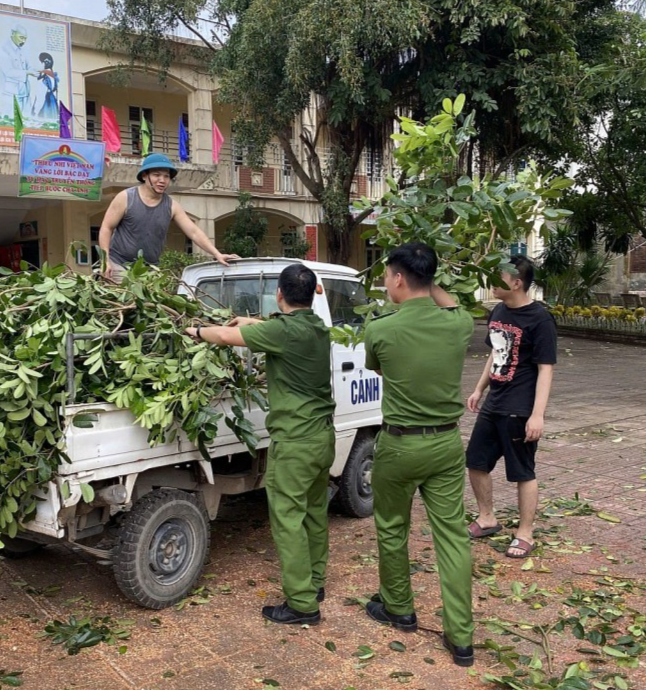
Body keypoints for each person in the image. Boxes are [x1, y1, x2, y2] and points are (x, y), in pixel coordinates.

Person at [185, 264, 336, 625]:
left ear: (278, 295)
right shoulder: (317, 328)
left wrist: (194, 329)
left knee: (287, 519)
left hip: (295, 441)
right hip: (322, 438)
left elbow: (221, 338)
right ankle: (314, 583)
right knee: (315, 512)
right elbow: (274, 329)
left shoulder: (284, 332)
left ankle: (302, 605)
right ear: (314, 292)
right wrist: (246, 321)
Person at [363, 242, 475, 667]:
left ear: (398, 278)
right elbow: (452, 303)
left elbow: (377, 368)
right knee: (452, 537)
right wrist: (430, 282)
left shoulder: (381, 328)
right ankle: (461, 638)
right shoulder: (459, 323)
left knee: (392, 527)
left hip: (400, 444)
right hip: (446, 444)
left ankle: (400, 608)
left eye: (388, 275)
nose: (386, 282)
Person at [465, 256, 556, 559]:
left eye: (498, 275)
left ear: (517, 283)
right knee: (476, 461)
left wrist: (537, 415)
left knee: (522, 472)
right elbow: (496, 353)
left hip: (520, 408)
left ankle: (525, 533)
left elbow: (545, 369)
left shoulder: (540, 319)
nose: (491, 279)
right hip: (495, 402)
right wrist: (480, 388)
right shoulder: (498, 311)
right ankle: (487, 518)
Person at [98, 153, 238, 277]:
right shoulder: (126, 198)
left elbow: (194, 232)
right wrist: (106, 261)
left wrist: (217, 254)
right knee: (126, 305)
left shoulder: (171, 206)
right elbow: (106, 228)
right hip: (119, 265)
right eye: (157, 175)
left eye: (166, 176)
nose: (162, 180)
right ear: (145, 176)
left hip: (150, 270)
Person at [0, 25, 38, 118]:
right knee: (12, 120)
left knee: (26, 120)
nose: (23, 41)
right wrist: (27, 72)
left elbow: (29, 66)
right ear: (12, 33)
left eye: (25, 38)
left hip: (25, 91)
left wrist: (35, 71)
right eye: (21, 37)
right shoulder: (4, 49)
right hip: (11, 92)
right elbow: (8, 71)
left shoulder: (23, 50)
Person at [33, 52, 59, 120]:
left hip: (46, 101)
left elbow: (40, 96)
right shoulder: (53, 75)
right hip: (52, 101)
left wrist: (35, 111)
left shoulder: (44, 76)